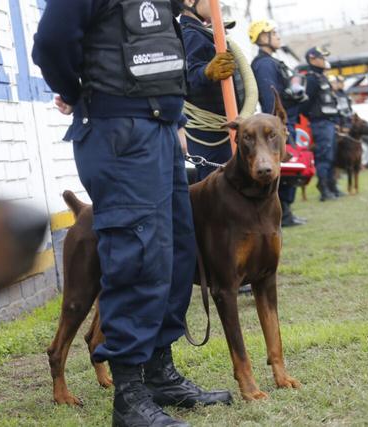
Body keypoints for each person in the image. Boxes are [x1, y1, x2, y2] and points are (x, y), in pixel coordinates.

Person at [32, 1, 232, 426]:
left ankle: (160, 373)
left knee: (175, 252)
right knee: (137, 255)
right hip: (118, 131)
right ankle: (129, 395)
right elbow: (51, 42)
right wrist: (75, 92)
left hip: (162, 131)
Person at [249, 20, 307, 227]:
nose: (278, 36)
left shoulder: (272, 61)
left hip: (285, 123)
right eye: (274, 33)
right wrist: (277, 129)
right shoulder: (264, 64)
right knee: (284, 171)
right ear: (263, 37)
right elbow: (269, 98)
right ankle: (283, 215)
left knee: (289, 170)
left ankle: (287, 212)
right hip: (279, 126)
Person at [179, 0, 242, 180]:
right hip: (210, 136)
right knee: (218, 188)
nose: (218, 4)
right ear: (190, 1)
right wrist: (207, 72)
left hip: (221, 130)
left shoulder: (201, 33)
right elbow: (189, 76)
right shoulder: (191, 35)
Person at [301, 47, 341, 201]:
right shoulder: (311, 79)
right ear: (312, 59)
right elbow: (305, 103)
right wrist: (313, 117)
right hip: (320, 123)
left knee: (331, 155)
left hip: (329, 123)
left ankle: (332, 186)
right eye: (322, 57)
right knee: (324, 156)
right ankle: (324, 189)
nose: (325, 60)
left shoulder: (322, 77)